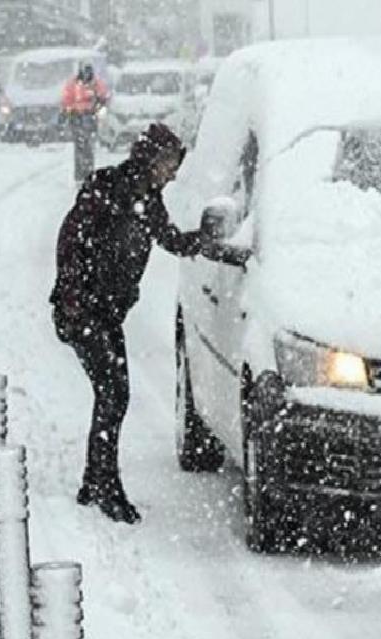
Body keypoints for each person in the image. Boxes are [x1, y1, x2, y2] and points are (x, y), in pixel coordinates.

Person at [49, 123, 242, 523]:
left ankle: (95, 481)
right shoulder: (108, 188)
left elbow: (170, 240)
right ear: (151, 159)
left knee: (113, 395)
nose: (172, 174)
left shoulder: (148, 200)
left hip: (106, 313)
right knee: (113, 395)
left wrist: (208, 241)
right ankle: (105, 487)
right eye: (169, 164)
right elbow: (70, 240)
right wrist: (73, 300)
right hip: (84, 312)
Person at [61, 63, 110, 182]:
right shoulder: (72, 84)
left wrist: (98, 106)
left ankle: (88, 172)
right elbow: (66, 99)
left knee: (88, 146)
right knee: (79, 147)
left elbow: (104, 97)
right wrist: (70, 111)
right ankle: (79, 175)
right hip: (76, 117)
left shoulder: (97, 83)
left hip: (90, 116)